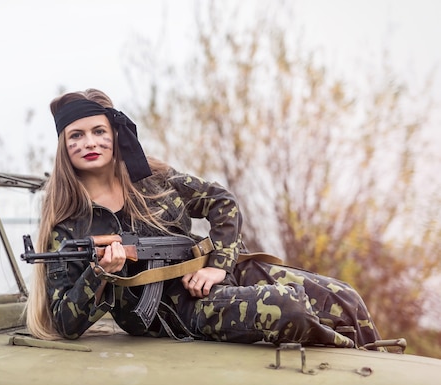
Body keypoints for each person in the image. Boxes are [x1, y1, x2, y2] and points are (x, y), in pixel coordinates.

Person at [25, 88, 381, 349]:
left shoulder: (155, 181)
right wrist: (99, 273)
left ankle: (376, 366)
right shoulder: (70, 226)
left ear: (115, 135)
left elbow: (221, 202)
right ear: (64, 147)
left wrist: (220, 266)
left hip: (214, 273)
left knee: (345, 299)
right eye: (76, 135)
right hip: (180, 310)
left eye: (98, 131)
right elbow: (66, 323)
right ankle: (354, 361)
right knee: (288, 309)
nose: (90, 142)